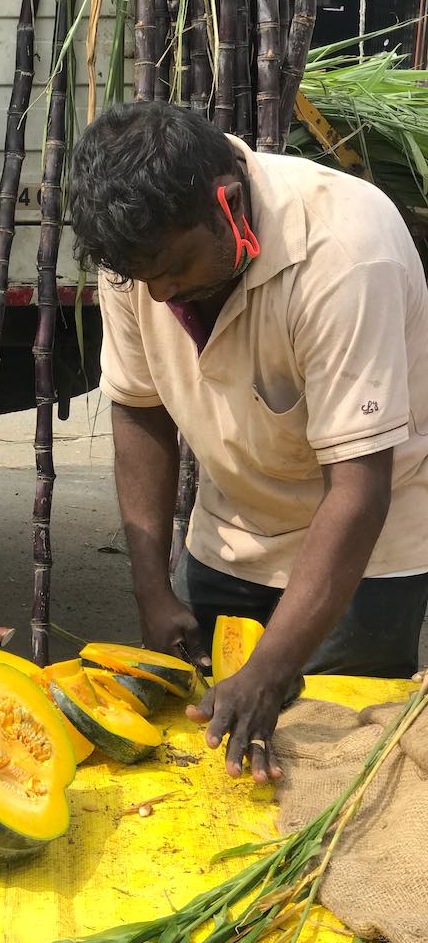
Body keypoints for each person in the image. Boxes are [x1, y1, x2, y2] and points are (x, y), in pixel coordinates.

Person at [70, 100, 428, 783]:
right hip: (228, 539)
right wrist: (151, 583)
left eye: (175, 268)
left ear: (227, 204)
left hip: (366, 559)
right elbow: (140, 413)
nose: (163, 292)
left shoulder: (345, 251)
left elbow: (359, 487)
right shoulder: (140, 257)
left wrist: (268, 672)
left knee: (332, 781)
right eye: (146, 279)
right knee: (200, 769)